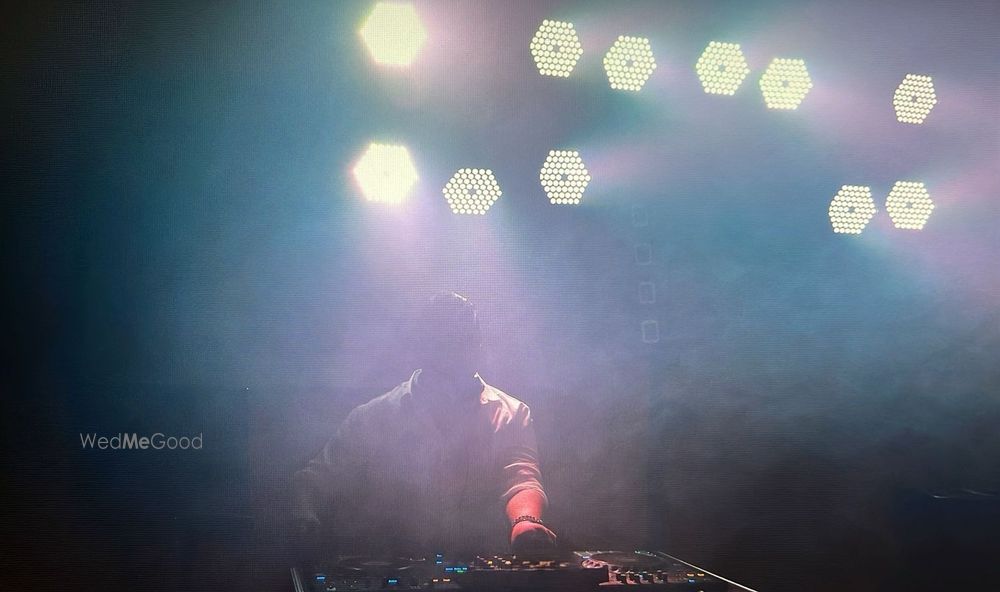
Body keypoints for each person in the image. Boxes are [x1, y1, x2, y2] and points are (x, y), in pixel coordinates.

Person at [292, 292, 556, 559]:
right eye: (442, 342)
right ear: (420, 347)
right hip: (392, 563)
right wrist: (302, 518)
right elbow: (317, 480)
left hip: (481, 565)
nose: (451, 353)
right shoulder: (372, 418)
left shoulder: (512, 414)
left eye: (461, 341)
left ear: (477, 345)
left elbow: (522, 478)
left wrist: (524, 522)